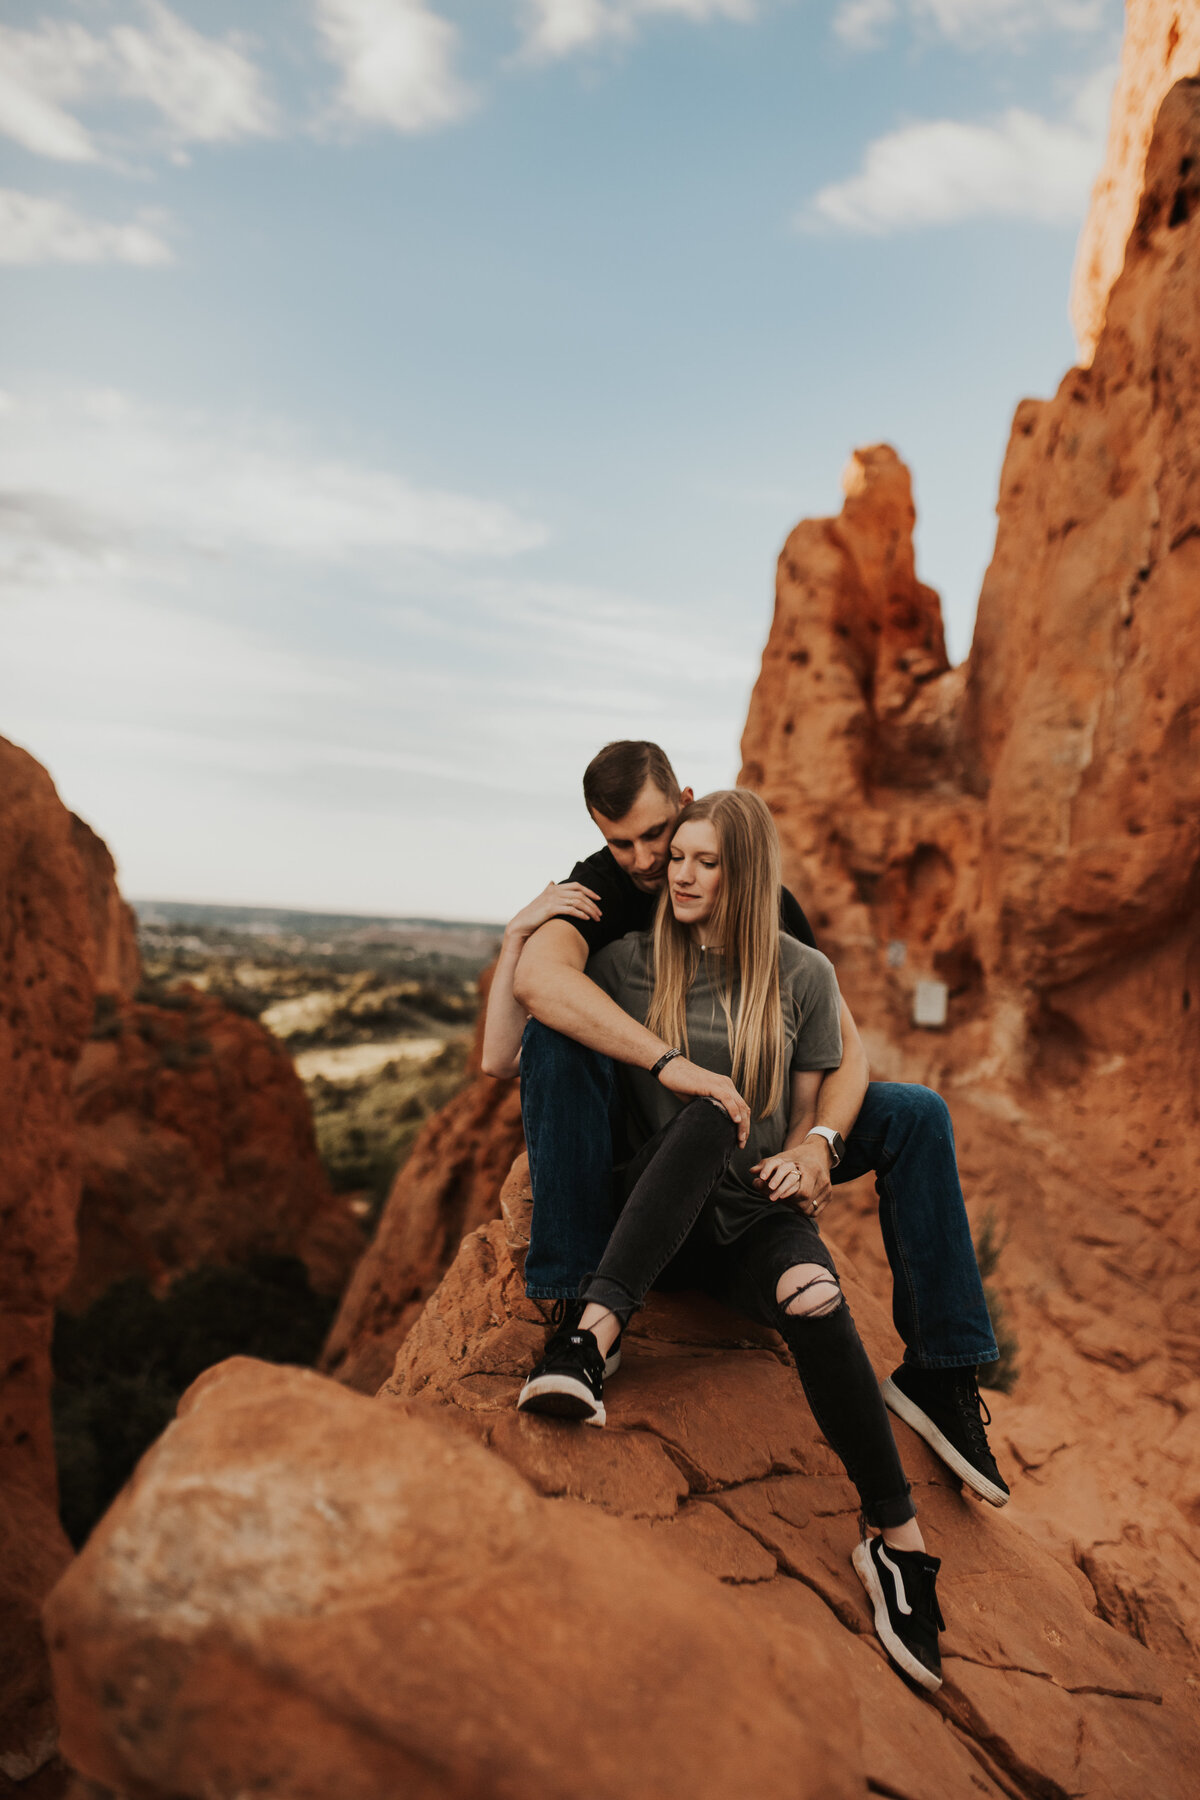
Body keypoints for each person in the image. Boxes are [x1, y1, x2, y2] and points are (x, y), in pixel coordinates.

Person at [488, 789, 947, 1691]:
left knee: (816, 1297)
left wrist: (813, 1159)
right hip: (650, 1211)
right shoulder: (625, 961)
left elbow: (822, 1101)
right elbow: (507, 1052)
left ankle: (897, 1543)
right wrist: (515, 939)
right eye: (678, 858)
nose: (679, 874)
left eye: (705, 862)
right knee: (707, 1116)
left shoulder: (802, 974)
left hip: (746, 1218)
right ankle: (591, 1338)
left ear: (746, 876)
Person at [484, 739, 1008, 1509]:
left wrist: (818, 1144)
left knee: (916, 1112)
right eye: (618, 841)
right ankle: (580, 1310)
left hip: (757, 1141)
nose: (645, 860)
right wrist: (668, 1062)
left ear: (688, 802)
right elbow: (527, 1008)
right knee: (558, 1042)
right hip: (662, 1141)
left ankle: (942, 1374)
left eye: (658, 835)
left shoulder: (763, 904)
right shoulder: (602, 894)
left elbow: (845, 1047)